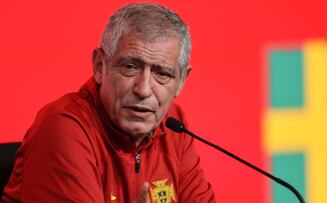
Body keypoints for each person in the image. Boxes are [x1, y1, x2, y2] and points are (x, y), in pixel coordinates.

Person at [1, 3, 216, 203]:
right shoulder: (63, 127)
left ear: (181, 81)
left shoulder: (174, 127)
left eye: (162, 74)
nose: (143, 89)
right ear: (99, 66)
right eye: (130, 66)